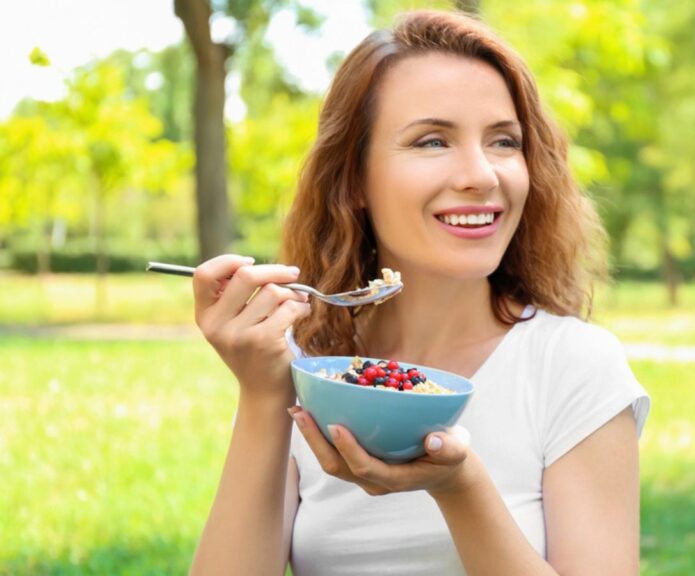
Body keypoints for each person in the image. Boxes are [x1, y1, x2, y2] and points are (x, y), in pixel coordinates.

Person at [188, 9, 649, 576]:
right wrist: (263, 397)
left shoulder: (573, 365)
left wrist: (460, 487)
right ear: (353, 179)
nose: (481, 174)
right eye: (433, 141)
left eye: (504, 141)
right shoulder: (305, 371)